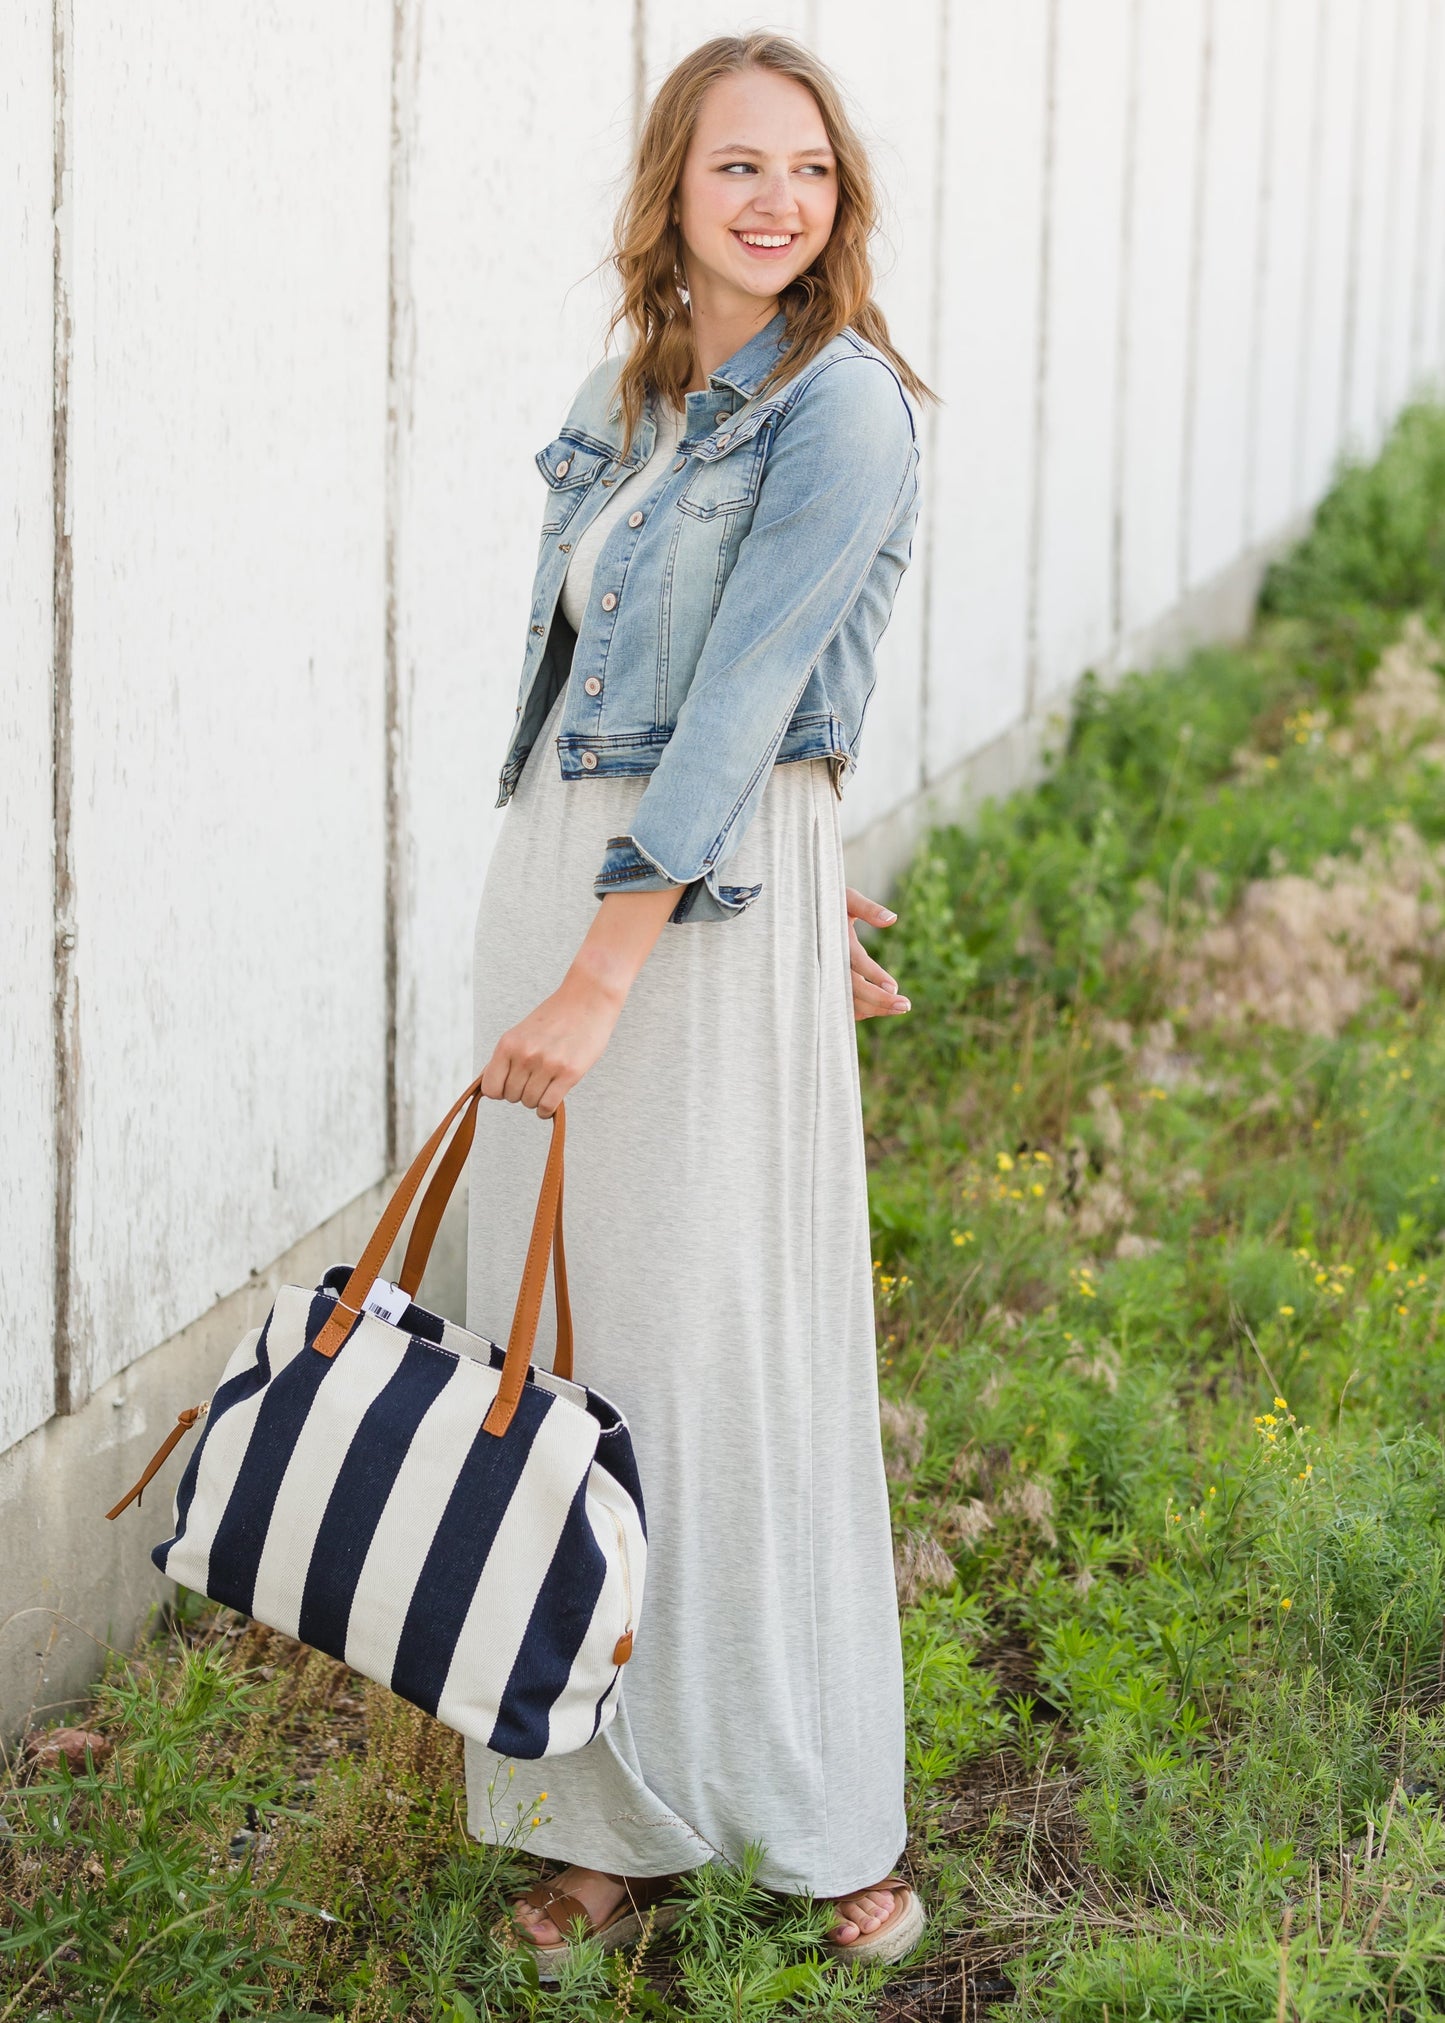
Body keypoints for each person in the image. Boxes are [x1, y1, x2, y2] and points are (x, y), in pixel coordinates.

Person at [462, 30, 933, 1975]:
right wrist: (598, 928)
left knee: (733, 1364)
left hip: (667, 931)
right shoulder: (623, 398)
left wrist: (618, 964)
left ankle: (817, 1823)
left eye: (808, 173)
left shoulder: (847, 409)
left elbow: (753, 690)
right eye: (740, 167)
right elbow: (603, 687)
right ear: (674, 190)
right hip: (578, 880)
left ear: (839, 204)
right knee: (580, 1362)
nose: (778, 202)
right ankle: (609, 1816)